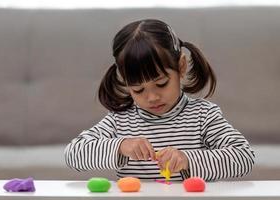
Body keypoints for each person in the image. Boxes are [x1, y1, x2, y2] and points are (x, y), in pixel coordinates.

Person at [64, 19, 255, 181]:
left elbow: (244, 157)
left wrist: (188, 159)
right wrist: (120, 146)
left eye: (162, 83)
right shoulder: (119, 120)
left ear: (181, 66)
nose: (152, 97)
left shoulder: (203, 116)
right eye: (138, 89)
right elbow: (73, 154)